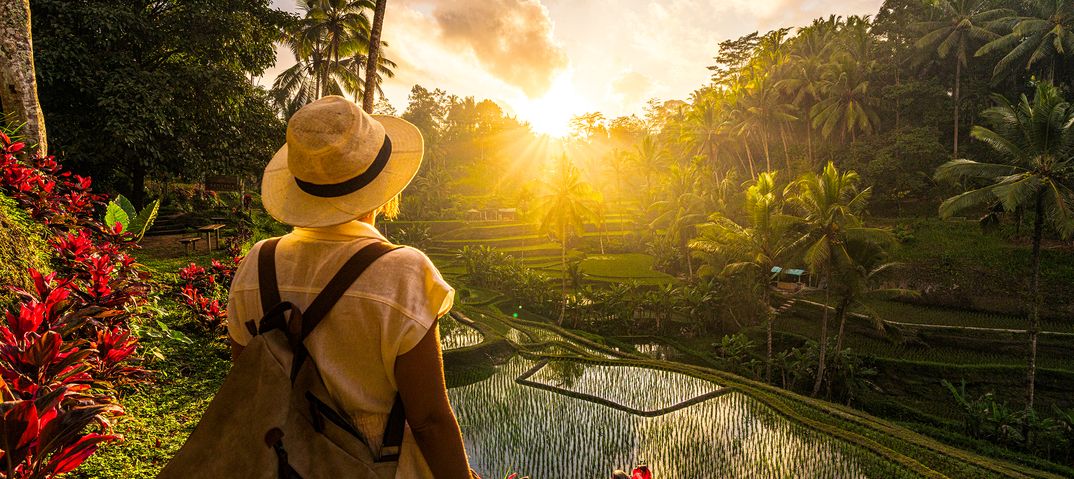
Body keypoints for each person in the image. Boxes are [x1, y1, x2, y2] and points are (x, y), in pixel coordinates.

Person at [226, 96, 476, 478]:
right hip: (379, 465)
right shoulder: (403, 272)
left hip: (283, 464)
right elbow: (428, 420)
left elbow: (249, 386)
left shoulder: (256, 264)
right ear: (381, 183)